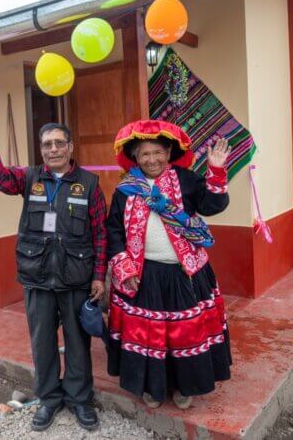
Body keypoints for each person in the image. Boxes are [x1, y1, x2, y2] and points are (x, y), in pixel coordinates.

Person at [0, 105, 107, 432]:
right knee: (42, 343)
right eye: (47, 144)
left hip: (76, 279)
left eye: (60, 143)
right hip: (38, 279)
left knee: (78, 344)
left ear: (71, 147)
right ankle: (49, 399)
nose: (53, 149)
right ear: (41, 149)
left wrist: (100, 276)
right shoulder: (29, 177)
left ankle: (79, 400)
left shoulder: (88, 184)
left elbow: (101, 232)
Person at [106, 119, 232, 410]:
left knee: (184, 334)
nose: (152, 160)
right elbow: (114, 230)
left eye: (157, 152)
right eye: (145, 154)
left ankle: (184, 386)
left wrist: (215, 171)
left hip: (185, 273)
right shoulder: (125, 190)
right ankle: (153, 387)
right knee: (149, 336)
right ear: (135, 157)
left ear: (168, 153)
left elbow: (213, 206)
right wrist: (123, 266)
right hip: (144, 273)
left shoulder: (187, 180)